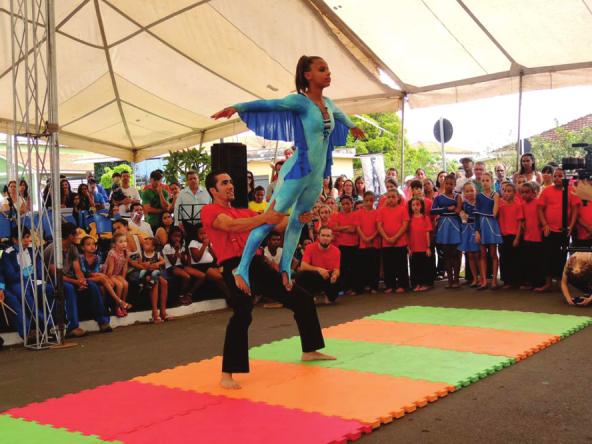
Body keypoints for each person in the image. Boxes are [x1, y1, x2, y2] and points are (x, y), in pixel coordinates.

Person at [211, 55, 364, 294]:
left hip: (315, 176)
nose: (328, 73)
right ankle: (242, 267)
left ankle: (285, 268)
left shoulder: (329, 103)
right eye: (322, 69)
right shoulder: (300, 102)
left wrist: (354, 127)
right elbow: (270, 105)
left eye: (328, 69)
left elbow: (342, 118)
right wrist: (238, 107)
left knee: (299, 221)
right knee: (272, 217)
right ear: (308, 75)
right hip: (298, 170)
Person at [201, 170, 334, 389]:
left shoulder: (243, 212)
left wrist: (298, 217)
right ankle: (227, 374)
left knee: (301, 298)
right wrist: (264, 218)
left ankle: (310, 349)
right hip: (235, 267)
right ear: (213, 190)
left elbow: (277, 224)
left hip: (256, 263)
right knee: (242, 314)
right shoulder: (210, 211)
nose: (231, 185)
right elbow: (229, 226)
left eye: (231, 181)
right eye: (225, 183)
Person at [44, 222, 112, 336]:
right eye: (76, 234)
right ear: (70, 236)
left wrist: (81, 280)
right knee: (69, 288)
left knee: (92, 286)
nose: (78, 236)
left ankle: (103, 321)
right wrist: (76, 281)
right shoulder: (52, 249)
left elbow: (77, 269)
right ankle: (72, 327)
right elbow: (56, 275)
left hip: (69, 278)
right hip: (53, 281)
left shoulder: (72, 248)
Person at [0, 227, 54, 340]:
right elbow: (10, 275)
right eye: (23, 238)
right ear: (14, 240)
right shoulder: (7, 253)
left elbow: (39, 271)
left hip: (33, 281)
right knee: (25, 294)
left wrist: (33, 276)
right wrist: (28, 272)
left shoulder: (32, 250)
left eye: (27, 237)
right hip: (17, 283)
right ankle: (45, 324)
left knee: (49, 289)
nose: (26, 240)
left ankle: (52, 323)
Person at [537, 168, 579, 292]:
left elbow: (575, 209)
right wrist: (545, 224)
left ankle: (561, 283)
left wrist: (571, 226)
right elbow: (540, 209)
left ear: (565, 177)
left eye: (560, 176)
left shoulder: (571, 191)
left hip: (563, 231)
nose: (557, 178)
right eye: (555, 176)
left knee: (561, 257)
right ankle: (548, 283)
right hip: (549, 231)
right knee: (547, 257)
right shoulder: (546, 191)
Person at [295, 226, 341, 304]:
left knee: (339, 279)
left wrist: (335, 276)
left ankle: (328, 295)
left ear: (331, 238)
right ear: (318, 236)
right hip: (314, 275)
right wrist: (319, 269)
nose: (325, 238)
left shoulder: (336, 251)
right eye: (323, 235)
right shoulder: (309, 248)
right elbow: (303, 266)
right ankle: (309, 296)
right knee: (300, 275)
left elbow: (337, 269)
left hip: (327, 276)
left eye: (328, 236)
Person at [431, 174, 462, 288]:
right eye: (447, 183)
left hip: (454, 226)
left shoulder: (457, 196)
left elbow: (458, 210)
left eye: (451, 184)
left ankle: (456, 279)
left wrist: (454, 209)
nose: (449, 186)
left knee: (456, 253)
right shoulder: (438, 198)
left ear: (454, 185)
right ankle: (449, 280)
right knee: (447, 254)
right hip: (443, 226)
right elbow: (433, 210)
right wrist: (446, 209)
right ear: (444, 184)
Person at [79, 236, 124, 313]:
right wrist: (98, 275)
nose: (92, 246)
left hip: (96, 278)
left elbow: (96, 270)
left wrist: (99, 274)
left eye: (93, 244)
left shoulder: (97, 258)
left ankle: (105, 308)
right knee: (103, 279)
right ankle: (118, 301)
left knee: (108, 285)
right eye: (88, 244)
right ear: (83, 247)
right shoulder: (81, 257)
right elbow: (83, 272)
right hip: (84, 279)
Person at [377, 189, 410, 293]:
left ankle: (402, 285)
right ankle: (389, 285)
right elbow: (379, 226)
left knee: (401, 264)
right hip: (386, 242)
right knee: (388, 265)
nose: (391, 199)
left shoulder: (403, 209)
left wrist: (395, 237)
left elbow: (405, 225)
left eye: (393, 197)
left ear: (398, 198)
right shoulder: (381, 211)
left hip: (400, 242)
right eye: (389, 197)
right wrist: (386, 237)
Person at [163, 226, 205, 305]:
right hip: (171, 267)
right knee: (187, 276)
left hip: (180, 266)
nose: (177, 238)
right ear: (170, 236)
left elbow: (183, 262)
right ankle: (181, 296)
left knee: (202, 276)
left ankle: (189, 294)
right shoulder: (167, 246)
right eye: (175, 236)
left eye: (179, 236)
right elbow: (173, 262)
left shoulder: (181, 246)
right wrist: (176, 251)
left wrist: (182, 256)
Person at [474, 172, 503, 290]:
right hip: (481, 225)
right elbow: (476, 214)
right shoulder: (479, 196)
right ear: (480, 182)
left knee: (493, 254)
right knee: (482, 255)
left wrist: (487, 213)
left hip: (491, 226)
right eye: (483, 180)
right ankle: (484, 281)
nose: (485, 182)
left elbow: (494, 213)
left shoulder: (495, 195)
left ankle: (495, 280)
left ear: (491, 181)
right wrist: (477, 231)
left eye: (487, 180)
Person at [328, 195, 359, 294]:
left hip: (354, 244)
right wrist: (346, 228)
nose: (346, 206)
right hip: (341, 245)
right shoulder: (337, 215)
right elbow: (335, 228)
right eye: (343, 204)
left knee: (354, 267)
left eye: (348, 204)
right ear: (340, 205)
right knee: (343, 267)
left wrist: (341, 227)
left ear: (352, 204)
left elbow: (353, 229)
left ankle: (353, 288)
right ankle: (344, 288)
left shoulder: (355, 215)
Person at [137, 236, 170, 323]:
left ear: (153, 247)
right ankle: (155, 313)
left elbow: (163, 261)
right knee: (154, 282)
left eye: (147, 244)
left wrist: (157, 264)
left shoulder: (157, 254)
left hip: (154, 273)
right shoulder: (141, 254)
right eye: (144, 243)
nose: (144, 245)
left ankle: (163, 311)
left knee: (165, 282)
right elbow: (139, 264)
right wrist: (145, 264)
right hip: (146, 274)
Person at [497, 182, 523, 289]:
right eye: (505, 191)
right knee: (504, 259)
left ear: (514, 193)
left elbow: (520, 223)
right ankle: (506, 281)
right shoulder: (500, 206)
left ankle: (516, 280)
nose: (506, 193)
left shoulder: (518, 205)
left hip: (514, 236)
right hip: (503, 236)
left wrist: (517, 237)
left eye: (509, 191)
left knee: (515, 259)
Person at [519, 182, 544, 290]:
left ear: (534, 193)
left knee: (538, 261)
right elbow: (522, 220)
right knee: (528, 261)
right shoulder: (522, 205)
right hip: (527, 237)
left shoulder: (538, 203)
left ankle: (538, 283)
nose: (524, 195)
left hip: (538, 237)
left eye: (527, 192)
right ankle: (529, 282)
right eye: (522, 192)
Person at [174, 170, 211, 243]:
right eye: (190, 179)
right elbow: (177, 209)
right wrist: (179, 223)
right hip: (188, 225)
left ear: (198, 179)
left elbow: (211, 207)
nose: (193, 181)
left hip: (203, 224)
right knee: (189, 243)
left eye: (195, 178)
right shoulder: (182, 193)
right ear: (187, 181)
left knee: (203, 245)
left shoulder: (206, 192)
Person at [355, 191, 380, 293]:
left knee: (374, 266)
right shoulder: (359, 213)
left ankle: (374, 286)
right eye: (367, 200)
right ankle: (365, 285)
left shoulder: (377, 212)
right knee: (364, 266)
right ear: (363, 200)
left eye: (371, 200)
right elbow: (358, 227)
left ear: (373, 200)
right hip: (363, 243)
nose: (369, 203)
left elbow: (379, 228)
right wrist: (364, 238)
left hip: (374, 243)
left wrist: (371, 238)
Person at [408, 197, 433, 292]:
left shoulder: (425, 218)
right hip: (413, 248)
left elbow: (427, 233)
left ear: (421, 206)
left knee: (424, 267)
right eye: (413, 205)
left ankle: (425, 283)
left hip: (423, 248)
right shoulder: (409, 220)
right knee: (415, 267)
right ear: (410, 207)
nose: (415, 207)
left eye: (417, 204)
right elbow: (408, 234)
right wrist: (409, 248)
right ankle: (416, 284)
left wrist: (428, 247)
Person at [104, 233, 132, 317]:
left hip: (117, 274)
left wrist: (123, 278)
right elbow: (110, 270)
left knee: (125, 284)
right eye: (121, 242)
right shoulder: (112, 253)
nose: (124, 244)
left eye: (125, 241)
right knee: (119, 285)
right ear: (114, 244)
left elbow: (125, 267)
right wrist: (111, 279)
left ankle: (122, 305)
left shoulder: (126, 252)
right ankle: (116, 307)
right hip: (109, 274)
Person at [459, 182, 480, 287]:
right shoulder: (464, 204)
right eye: (467, 191)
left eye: (472, 190)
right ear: (464, 193)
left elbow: (478, 218)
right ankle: (474, 278)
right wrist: (461, 214)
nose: (470, 193)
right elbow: (462, 216)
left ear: (476, 191)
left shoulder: (479, 203)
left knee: (477, 255)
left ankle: (481, 277)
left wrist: (468, 217)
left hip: (476, 230)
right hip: (466, 231)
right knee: (470, 255)